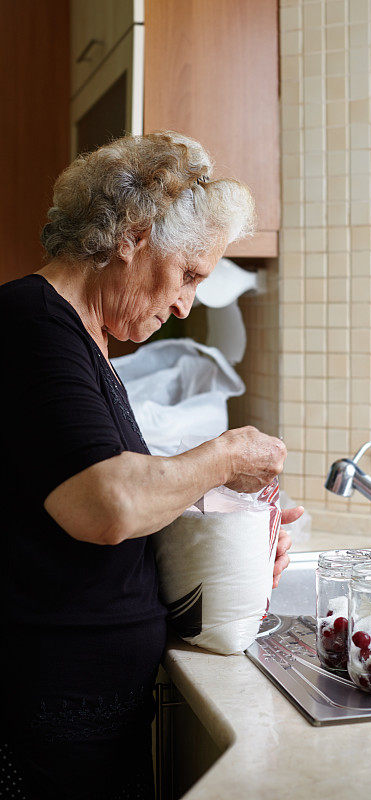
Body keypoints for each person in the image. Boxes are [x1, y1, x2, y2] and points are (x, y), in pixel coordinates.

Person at [1, 131, 301, 799]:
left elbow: (106, 504)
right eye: (190, 273)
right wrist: (224, 457)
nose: (187, 303)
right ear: (132, 235)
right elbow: (107, 507)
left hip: (88, 706)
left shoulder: (83, 339)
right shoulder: (30, 324)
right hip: (50, 711)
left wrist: (233, 541)